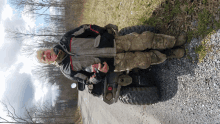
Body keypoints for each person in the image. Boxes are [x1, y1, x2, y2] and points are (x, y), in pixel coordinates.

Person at [36, 24, 186, 85]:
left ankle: (173, 42)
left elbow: (86, 28)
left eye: (44, 53)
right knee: (144, 60)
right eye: (44, 59)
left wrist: (102, 32)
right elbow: (89, 80)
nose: (46, 56)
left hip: (113, 42)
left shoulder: (65, 39)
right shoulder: (67, 71)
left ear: (47, 49)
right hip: (114, 63)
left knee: (145, 39)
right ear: (48, 63)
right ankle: (170, 54)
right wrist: (100, 74)